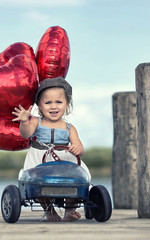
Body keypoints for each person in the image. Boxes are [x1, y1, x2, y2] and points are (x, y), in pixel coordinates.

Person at [12, 76, 91, 222]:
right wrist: (24, 121)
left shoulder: (69, 127)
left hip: (64, 158)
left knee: (75, 179)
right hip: (40, 157)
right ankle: (49, 211)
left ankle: (69, 210)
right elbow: (26, 134)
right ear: (39, 105)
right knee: (40, 182)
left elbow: (80, 147)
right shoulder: (36, 121)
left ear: (67, 104)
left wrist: (76, 149)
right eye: (48, 102)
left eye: (59, 102)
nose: (53, 106)